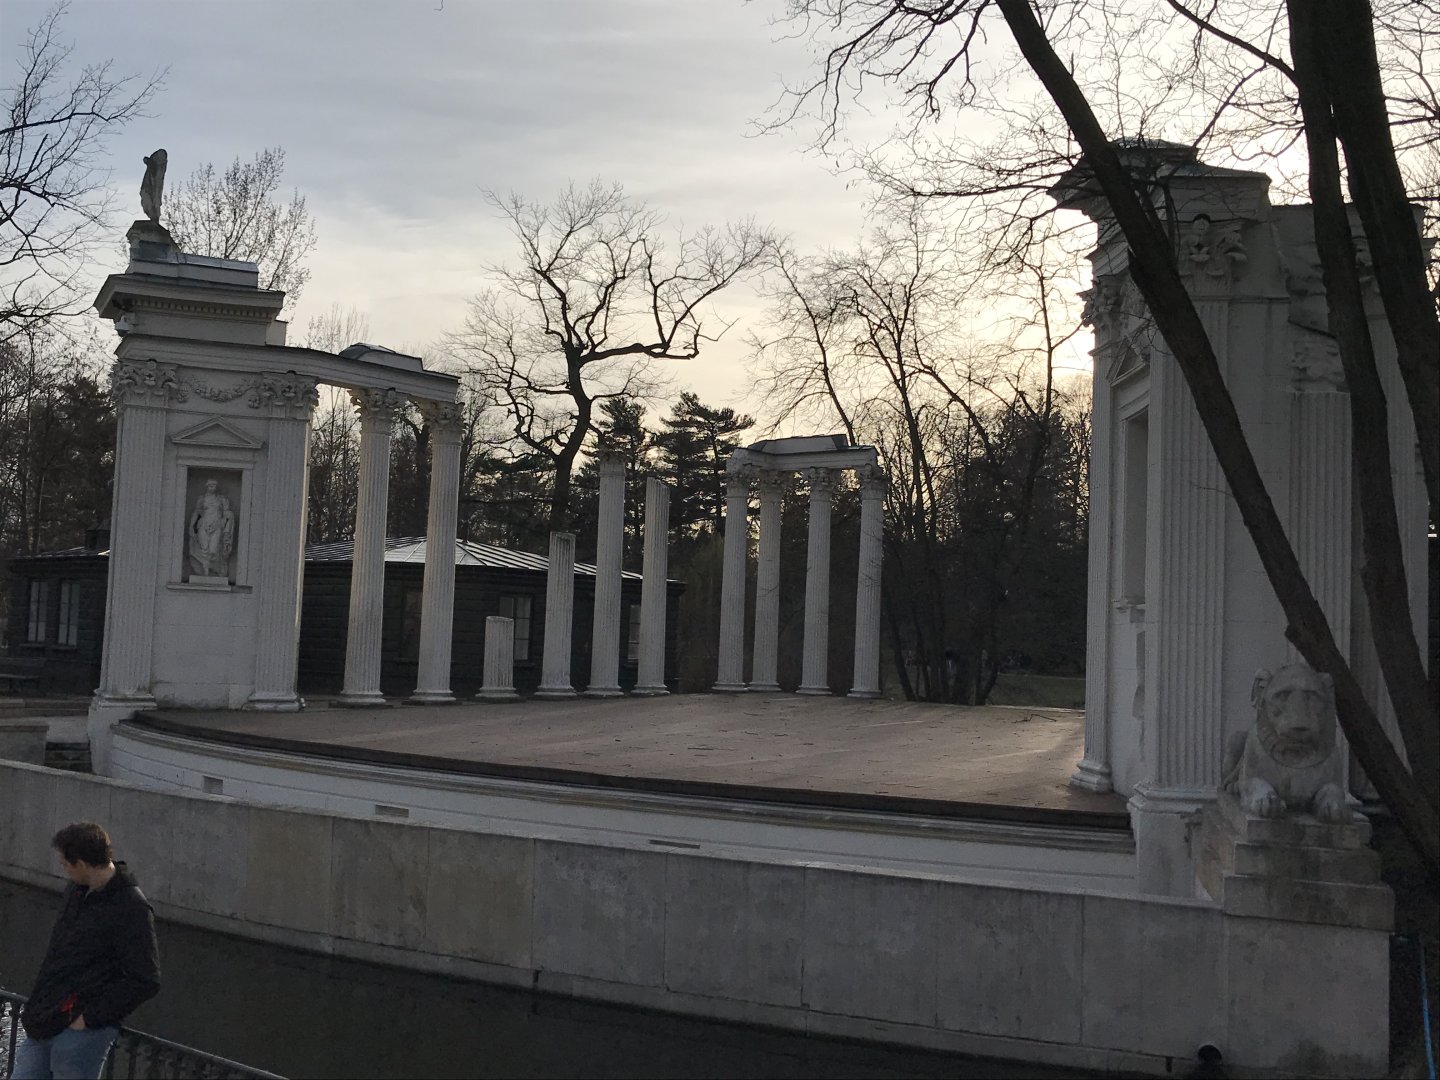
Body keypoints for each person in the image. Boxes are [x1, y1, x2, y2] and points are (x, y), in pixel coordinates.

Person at [14, 823, 161, 1080]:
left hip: (80, 1033)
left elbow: (146, 979)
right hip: (45, 1019)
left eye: (65, 864)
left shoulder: (131, 907)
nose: (63, 869)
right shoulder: (76, 889)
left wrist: (89, 1018)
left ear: (81, 864)